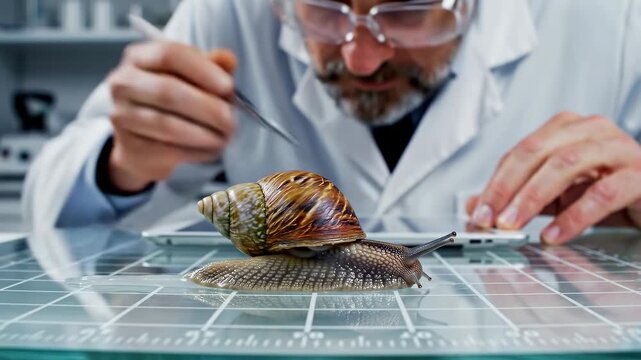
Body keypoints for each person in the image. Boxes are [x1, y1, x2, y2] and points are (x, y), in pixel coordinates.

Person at [22, 0, 641, 245]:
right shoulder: (231, 12)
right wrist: (120, 164)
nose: (360, 56)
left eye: (408, 13)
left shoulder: (608, 20)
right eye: (323, 11)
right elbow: (48, 206)